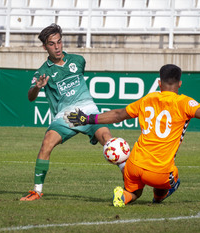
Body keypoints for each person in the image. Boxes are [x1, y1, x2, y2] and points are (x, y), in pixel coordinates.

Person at [64, 64, 200, 207]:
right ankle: (158, 197)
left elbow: (117, 115)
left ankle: (122, 196)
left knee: (135, 192)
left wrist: (87, 118)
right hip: (159, 172)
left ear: (159, 82)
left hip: (133, 165)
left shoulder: (148, 99)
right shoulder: (183, 103)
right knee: (174, 179)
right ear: (180, 83)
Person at [20, 23, 124, 201]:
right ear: (45, 47)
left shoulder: (78, 60)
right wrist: (37, 88)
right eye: (52, 44)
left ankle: (132, 185)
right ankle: (37, 191)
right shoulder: (42, 72)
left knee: (111, 143)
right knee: (46, 144)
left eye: (59, 42)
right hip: (66, 116)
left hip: (88, 111)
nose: (57, 47)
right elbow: (30, 97)